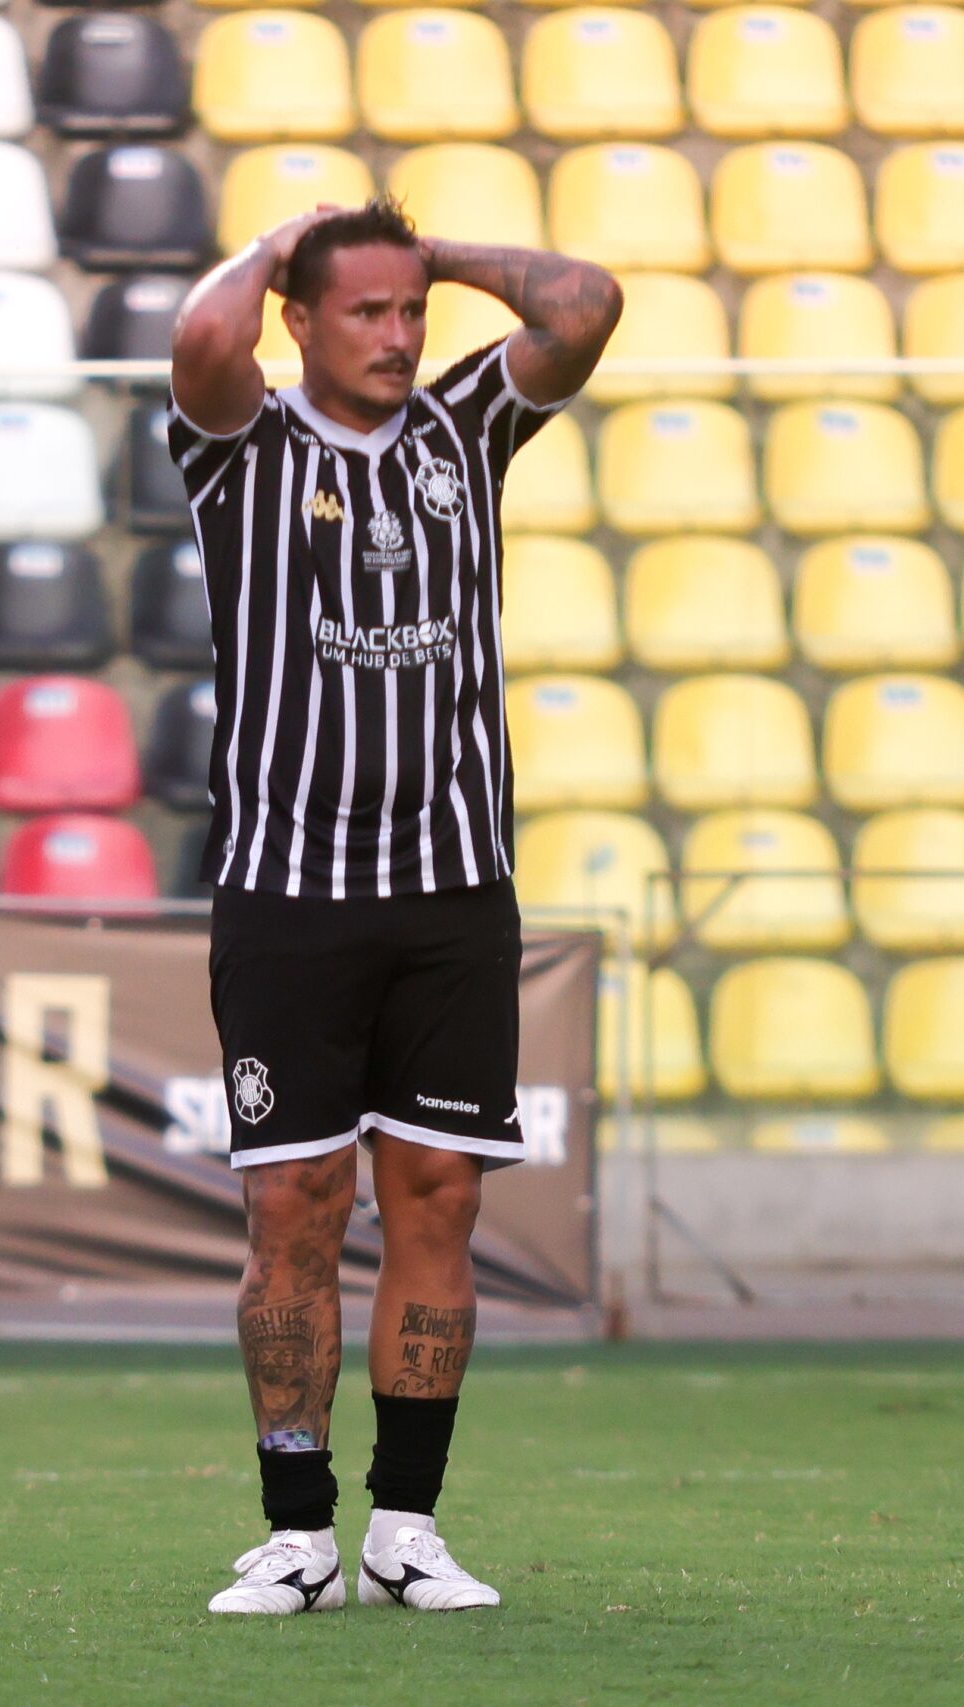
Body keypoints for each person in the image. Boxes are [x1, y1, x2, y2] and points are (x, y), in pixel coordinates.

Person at [166, 198, 623, 1615]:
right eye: (363, 310)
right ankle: (297, 1529)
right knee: (295, 1206)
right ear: (300, 321)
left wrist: (445, 258)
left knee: (439, 1199)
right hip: (291, 893)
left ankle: (405, 1527)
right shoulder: (242, 446)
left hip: (450, 892)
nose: (399, 334)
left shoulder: (464, 429)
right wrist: (276, 248)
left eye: (409, 309)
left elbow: (585, 304)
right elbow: (198, 337)